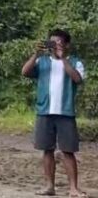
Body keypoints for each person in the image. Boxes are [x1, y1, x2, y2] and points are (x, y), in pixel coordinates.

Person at [21, 29, 87, 198]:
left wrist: (63, 58)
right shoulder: (42, 61)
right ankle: (49, 186)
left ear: (67, 45)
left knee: (68, 151)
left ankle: (73, 188)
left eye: (58, 42)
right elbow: (25, 72)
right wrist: (35, 54)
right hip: (45, 111)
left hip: (66, 112)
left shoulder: (75, 62)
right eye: (51, 42)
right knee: (47, 150)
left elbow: (77, 79)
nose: (54, 45)